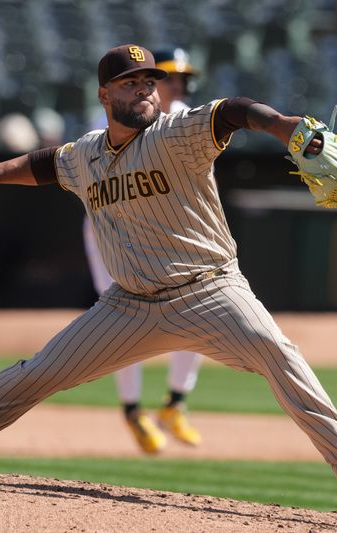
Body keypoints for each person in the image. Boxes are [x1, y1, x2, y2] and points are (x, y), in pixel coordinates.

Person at [0, 44, 337, 504]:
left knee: (279, 354)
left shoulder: (177, 132)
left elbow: (231, 110)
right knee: (36, 373)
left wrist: (282, 127)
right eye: (130, 82)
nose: (144, 90)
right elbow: (44, 165)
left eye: (149, 81)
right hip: (130, 306)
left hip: (211, 291)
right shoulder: (86, 154)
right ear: (104, 95)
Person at [82, 47, 204, 454]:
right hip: (110, 226)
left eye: (180, 78)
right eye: (170, 77)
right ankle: (133, 410)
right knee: (122, 315)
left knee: (197, 308)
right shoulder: (115, 118)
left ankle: (174, 403)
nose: (177, 85)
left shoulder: (188, 118)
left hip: (163, 228)